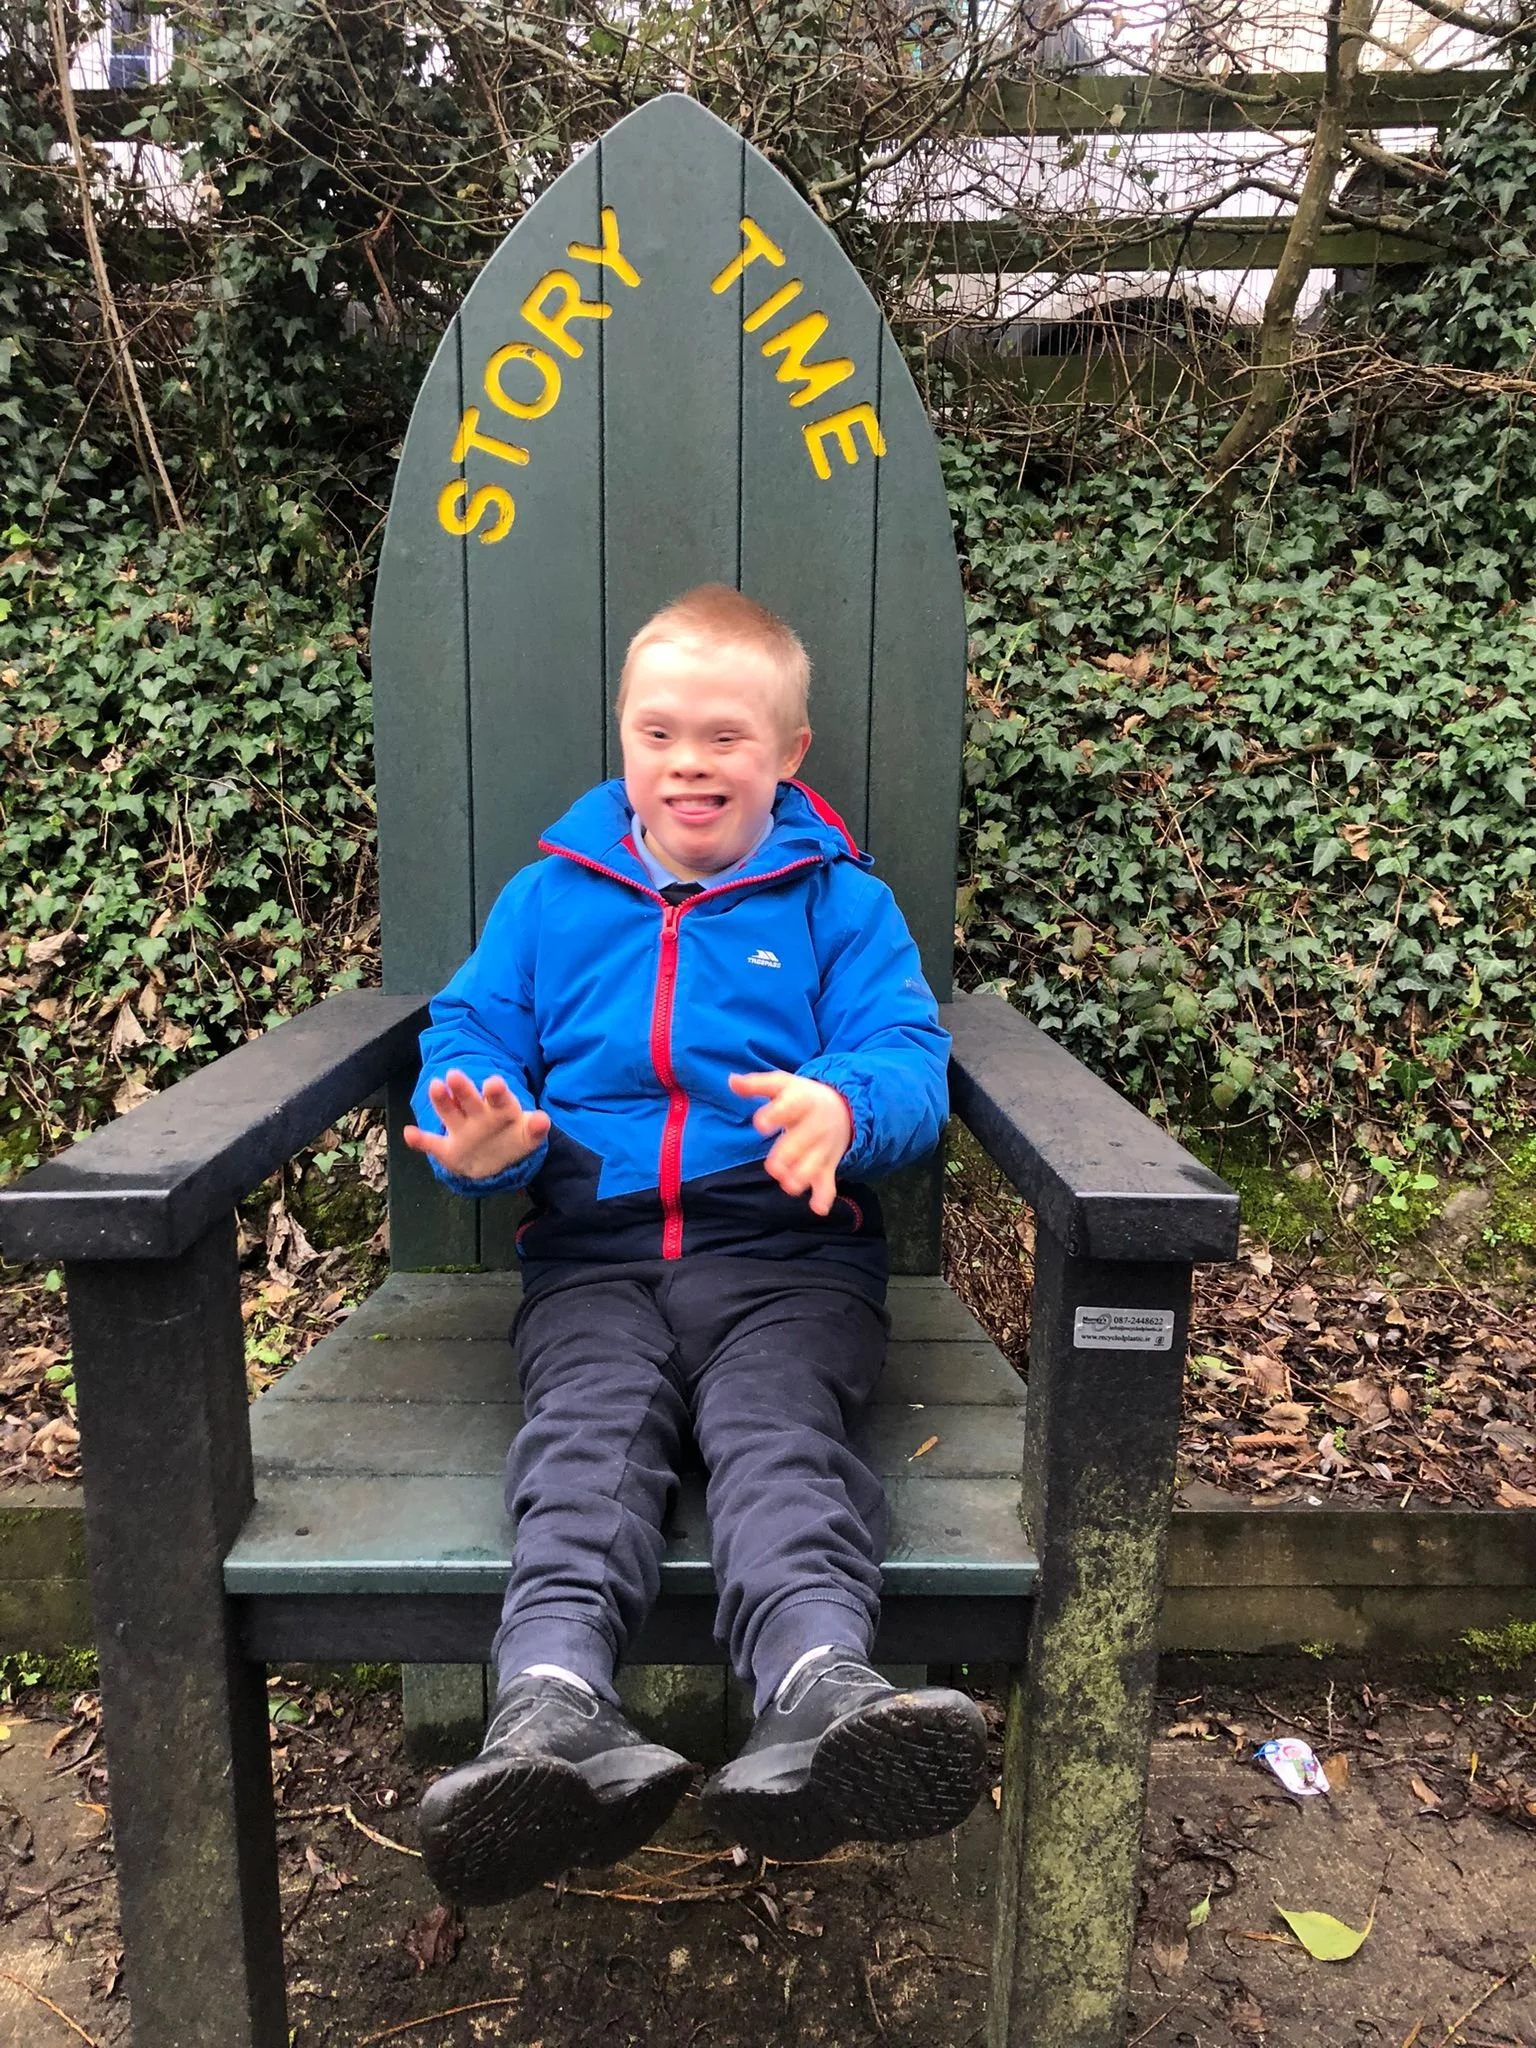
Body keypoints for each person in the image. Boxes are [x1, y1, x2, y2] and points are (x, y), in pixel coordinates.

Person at [404, 584, 987, 1905]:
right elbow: (472, 1034)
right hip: (593, 1260)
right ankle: (550, 1713)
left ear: (789, 752)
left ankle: (823, 1695)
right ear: (622, 736)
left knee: (777, 1440)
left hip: (788, 1264)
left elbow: (909, 1056)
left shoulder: (840, 908)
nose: (689, 762)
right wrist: (483, 1128)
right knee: (585, 1444)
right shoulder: (550, 901)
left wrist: (844, 1105)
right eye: (659, 733)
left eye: (727, 737)